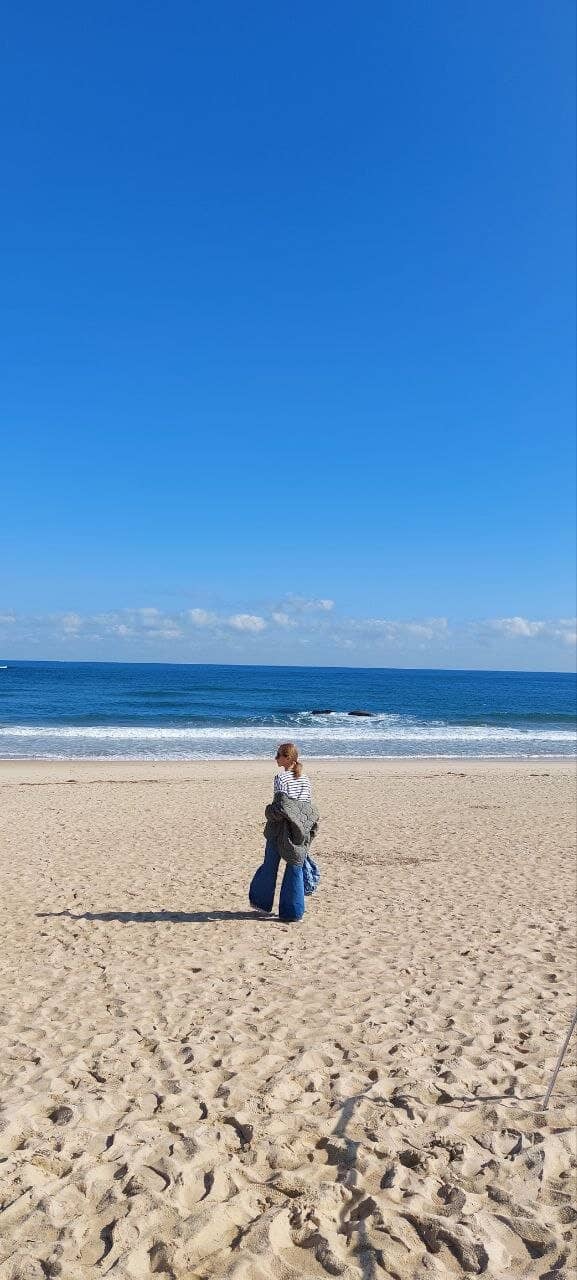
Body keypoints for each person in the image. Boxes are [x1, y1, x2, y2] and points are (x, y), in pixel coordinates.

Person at [249, 743, 319, 922]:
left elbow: (280, 807)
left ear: (288, 758)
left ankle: (262, 903)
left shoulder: (281, 778)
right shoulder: (305, 778)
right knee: (294, 868)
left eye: (278, 755)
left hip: (280, 829)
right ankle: (292, 913)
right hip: (300, 830)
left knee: (270, 865)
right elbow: (305, 807)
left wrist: (268, 811)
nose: (275, 758)